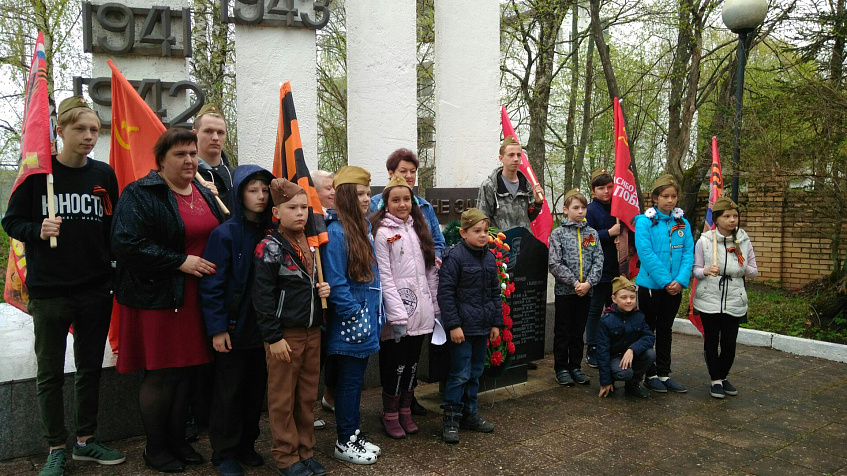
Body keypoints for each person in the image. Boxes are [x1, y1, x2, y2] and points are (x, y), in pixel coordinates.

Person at [1, 96, 124, 476]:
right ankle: (55, 446)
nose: (89, 137)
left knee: (90, 368)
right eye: (81, 129)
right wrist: (36, 229)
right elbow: (11, 221)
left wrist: (113, 276)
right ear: (60, 131)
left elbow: (112, 229)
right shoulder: (38, 175)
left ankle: (85, 441)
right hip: (50, 290)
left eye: (94, 130)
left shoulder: (103, 175)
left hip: (94, 289)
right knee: (50, 373)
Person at [112, 128, 226, 472]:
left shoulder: (203, 192)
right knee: (162, 375)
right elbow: (125, 243)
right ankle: (156, 448)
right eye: (180, 154)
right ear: (161, 160)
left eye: (193, 153)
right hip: (158, 298)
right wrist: (179, 261)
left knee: (187, 374)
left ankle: (178, 441)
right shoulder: (141, 193)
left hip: (197, 298)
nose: (190, 159)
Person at [198, 165, 274, 476]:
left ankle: (247, 444)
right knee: (229, 391)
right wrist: (217, 328)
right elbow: (213, 285)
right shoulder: (225, 233)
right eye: (253, 190)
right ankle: (225, 452)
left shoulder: (272, 232)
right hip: (234, 326)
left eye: (265, 191)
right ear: (240, 193)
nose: (260, 196)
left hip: (264, 327)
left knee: (255, 390)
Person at [252, 178, 331, 476]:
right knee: (283, 398)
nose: (300, 213)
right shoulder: (269, 247)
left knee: (307, 396)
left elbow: (307, 284)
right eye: (292, 207)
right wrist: (273, 337)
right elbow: (262, 297)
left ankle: (305, 450)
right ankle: (286, 456)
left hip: (313, 332)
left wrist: (322, 290)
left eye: (304, 207)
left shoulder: (310, 243)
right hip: (285, 335)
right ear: (276, 212)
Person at [320, 166, 383, 464]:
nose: (366, 199)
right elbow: (336, 281)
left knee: (354, 382)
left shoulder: (361, 228)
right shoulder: (336, 231)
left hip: (366, 316)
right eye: (360, 193)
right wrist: (355, 315)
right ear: (345, 195)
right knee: (348, 382)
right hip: (351, 321)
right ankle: (344, 440)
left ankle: (353, 434)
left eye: (368, 193)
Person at [371, 174, 438, 439]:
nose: (402, 204)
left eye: (406, 199)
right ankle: (389, 413)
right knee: (395, 365)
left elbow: (430, 271)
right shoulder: (383, 234)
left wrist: (434, 306)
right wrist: (398, 315)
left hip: (420, 311)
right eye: (395, 199)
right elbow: (385, 275)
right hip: (398, 314)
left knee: (411, 365)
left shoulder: (418, 229)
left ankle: (406, 409)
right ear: (386, 203)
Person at [438, 208, 502, 445]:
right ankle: (451, 418)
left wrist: (496, 322)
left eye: (486, 231)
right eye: (477, 231)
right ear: (463, 233)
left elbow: (495, 293)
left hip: (482, 328)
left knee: (475, 373)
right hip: (462, 330)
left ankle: (469, 414)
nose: (483, 235)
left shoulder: (489, 257)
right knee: (459, 374)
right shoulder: (455, 257)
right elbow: (445, 293)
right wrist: (453, 325)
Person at [634, 174, 694, 394]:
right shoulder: (644, 222)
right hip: (652, 286)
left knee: (666, 330)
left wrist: (680, 280)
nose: (670, 201)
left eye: (674, 196)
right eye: (665, 196)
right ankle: (649, 373)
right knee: (649, 329)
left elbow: (688, 252)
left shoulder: (682, 223)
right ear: (655, 198)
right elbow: (646, 253)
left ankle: (664, 373)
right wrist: (666, 280)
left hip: (674, 287)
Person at [692, 197, 758, 399]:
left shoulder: (743, 240)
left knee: (729, 343)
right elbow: (695, 270)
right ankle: (715, 379)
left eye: (735, 216)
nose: (732, 220)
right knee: (712, 341)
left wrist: (741, 265)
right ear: (717, 219)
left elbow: (753, 271)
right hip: (709, 297)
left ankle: (723, 375)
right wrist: (706, 271)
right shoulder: (705, 241)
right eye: (727, 216)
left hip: (734, 297)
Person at [548, 188, 603, 386]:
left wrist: (588, 283)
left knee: (578, 331)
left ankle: (575, 366)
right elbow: (555, 263)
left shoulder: (591, 233)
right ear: (565, 209)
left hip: (586, 292)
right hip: (566, 291)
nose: (580, 212)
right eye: (576, 208)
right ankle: (561, 367)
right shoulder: (558, 234)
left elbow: (598, 260)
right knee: (563, 330)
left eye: (583, 208)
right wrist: (574, 283)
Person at [369, 148, 445, 258]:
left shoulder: (425, 207)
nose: (409, 176)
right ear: (391, 173)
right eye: (403, 171)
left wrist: (431, 265)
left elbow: (438, 243)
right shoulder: (374, 205)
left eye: (413, 171)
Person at [585, 167, 621, 368]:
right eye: (601, 188)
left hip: (617, 269)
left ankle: (612, 346)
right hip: (598, 270)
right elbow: (586, 239)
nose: (606, 192)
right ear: (593, 191)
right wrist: (609, 233)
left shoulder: (618, 209)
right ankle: (592, 347)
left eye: (609, 187)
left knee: (614, 309)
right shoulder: (590, 211)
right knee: (595, 310)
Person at [597, 276, 656, 398]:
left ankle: (633, 385)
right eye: (623, 298)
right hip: (615, 357)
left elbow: (649, 337)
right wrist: (605, 381)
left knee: (650, 354)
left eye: (632, 297)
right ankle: (612, 379)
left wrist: (632, 349)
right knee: (624, 373)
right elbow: (602, 352)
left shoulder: (639, 316)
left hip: (631, 355)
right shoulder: (606, 320)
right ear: (614, 299)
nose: (629, 301)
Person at [476, 135, 544, 233]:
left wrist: (537, 203)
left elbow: (529, 217)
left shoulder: (526, 185)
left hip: (524, 243)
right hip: (500, 244)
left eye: (518, 155)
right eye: (511, 155)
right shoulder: (490, 186)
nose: (516, 159)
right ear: (501, 158)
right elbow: (482, 219)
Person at [311, 169, 336, 423]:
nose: (333, 192)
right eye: (327, 188)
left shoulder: (336, 219)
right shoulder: (308, 221)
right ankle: (305, 413)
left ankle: (329, 399)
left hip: (334, 299)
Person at [194, 104, 236, 209]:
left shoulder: (235, 176)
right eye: (208, 131)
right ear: (194, 135)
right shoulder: (186, 178)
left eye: (220, 132)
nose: (215, 138)